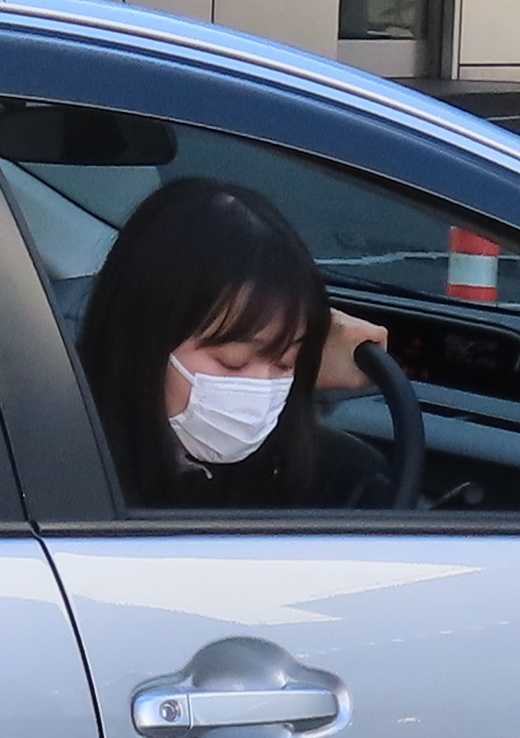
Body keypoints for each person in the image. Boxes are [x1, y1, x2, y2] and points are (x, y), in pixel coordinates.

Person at [76, 177, 398, 508]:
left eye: (284, 363)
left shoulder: (330, 478)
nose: (258, 392)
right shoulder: (63, 474)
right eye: (233, 362)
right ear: (139, 343)